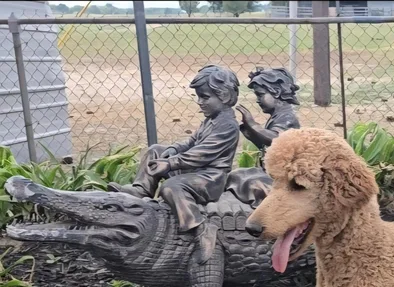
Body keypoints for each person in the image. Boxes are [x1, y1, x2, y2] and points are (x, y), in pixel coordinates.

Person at [111, 64, 240, 263]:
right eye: (198, 97)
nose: (199, 102)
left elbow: (202, 154)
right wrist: (171, 151)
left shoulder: (227, 125)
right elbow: (191, 142)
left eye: (205, 97)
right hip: (193, 171)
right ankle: (140, 190)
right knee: (156, 149)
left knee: (171, 187)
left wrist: (171, 163)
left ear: (223, 96)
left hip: (209, 178)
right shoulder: (210, 120)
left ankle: (200, 228)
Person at [236, 67, 301, 167]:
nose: (257, 100)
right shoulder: (277, 116)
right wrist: (252, 134)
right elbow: (268, 145)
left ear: (277, 92)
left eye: (260, 95)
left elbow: (277, 140)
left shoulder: (287, 117)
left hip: (282, 173)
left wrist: (254, 126)